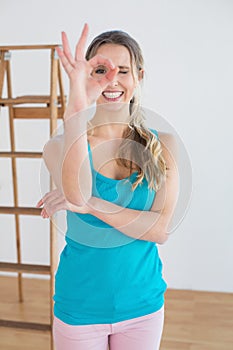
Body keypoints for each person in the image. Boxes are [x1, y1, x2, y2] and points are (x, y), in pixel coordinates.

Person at [36, 23, 179, 350]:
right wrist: (77, 106)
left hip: (143, 306)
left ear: (139, 76)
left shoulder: (163, 145)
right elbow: (78, 193)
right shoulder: (59, 146)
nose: (111, 80)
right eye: (100, 70)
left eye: (123, 71)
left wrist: (91, 206)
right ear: (87, 77)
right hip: (80, 307)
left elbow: (159, 231)